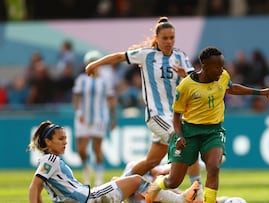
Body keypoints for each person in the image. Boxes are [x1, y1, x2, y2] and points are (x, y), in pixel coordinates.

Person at [85, 16, 203, 198]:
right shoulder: (146, 55)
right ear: (157, 38)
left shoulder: (180, 56)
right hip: (156, 115)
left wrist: (185, 76)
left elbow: (194, 81)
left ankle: (119, 184)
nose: (169, 42)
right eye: (165, 38)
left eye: (172, 38)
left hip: (175, 116)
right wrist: (95, 63)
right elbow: (118, 56)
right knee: (186, 139)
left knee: (151, 161)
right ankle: (198, 192)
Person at [145, 46, 269, 203]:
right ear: (205, 66)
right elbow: (176, 116)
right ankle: (157, 185)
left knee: (213, 168)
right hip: (189, 132)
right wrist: (179, 136)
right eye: (217, 67)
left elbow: (231, 88)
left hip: (213, 131)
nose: (221, 70)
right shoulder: (186, 86)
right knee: (173, 181)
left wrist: (259, 92)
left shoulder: (223, 76)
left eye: (222, 66)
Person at [28, 120, 195, 203]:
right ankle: (179, 200)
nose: (65, 142)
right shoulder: (50, 159)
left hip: (87, 198)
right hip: (89, 199)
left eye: (65, 138)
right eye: (60, 139)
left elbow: (39, 189)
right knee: (137, 180)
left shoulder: (49, 162)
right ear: (48, 142)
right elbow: (34, 187)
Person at [73, 50, 117, 186]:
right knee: (81, 149)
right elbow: (77, 98)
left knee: (97, 148)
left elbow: (110, 101)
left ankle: (99, 176)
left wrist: (113, 119)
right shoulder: (81, 80)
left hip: (100, 118)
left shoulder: (105, 82)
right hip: (83, 118)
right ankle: (86, 169)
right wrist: (79, 112)